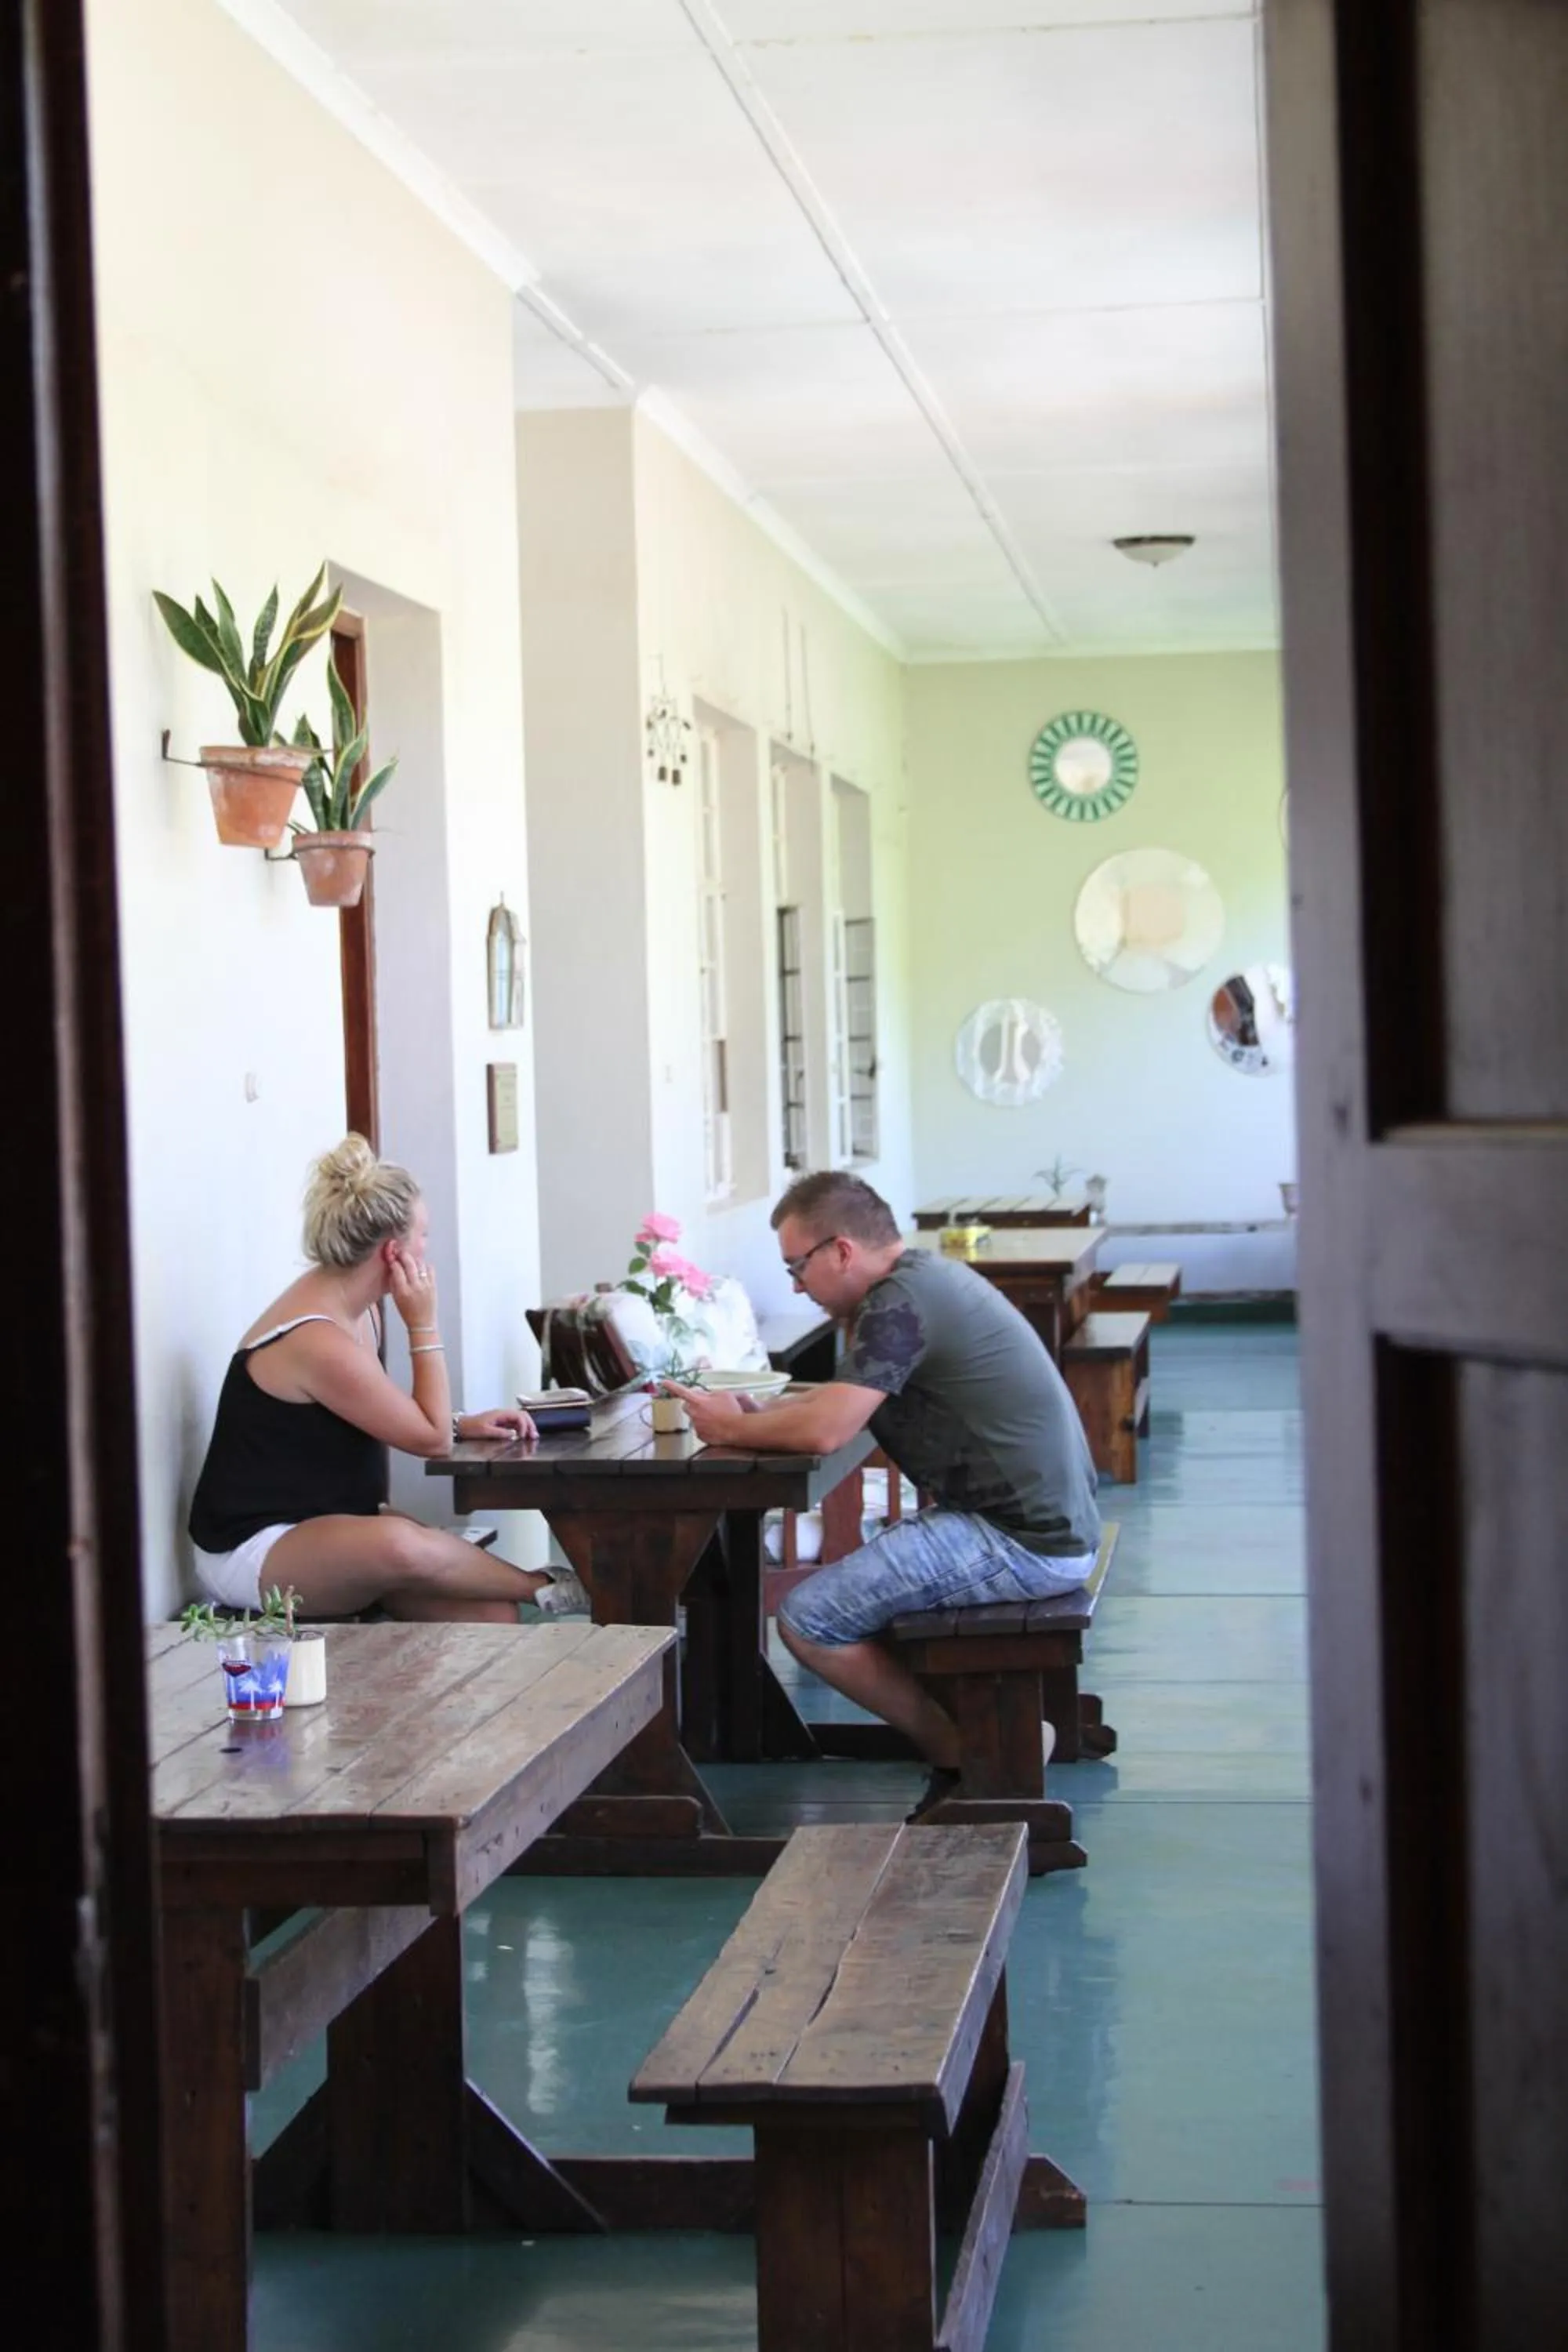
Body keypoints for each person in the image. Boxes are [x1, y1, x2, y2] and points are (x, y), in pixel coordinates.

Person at [666, 1169, 1100, 1813]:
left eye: (798, 1266)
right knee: (866, 1590)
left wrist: (730, 1424)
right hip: (1040, 1523)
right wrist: (756, 1419)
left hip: (1022, 1540)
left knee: (811, 1620)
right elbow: (840, 1407)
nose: (794, 1285)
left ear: (841, 1250)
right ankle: (988, 1737)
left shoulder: (900, 1304)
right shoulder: (918, 1283)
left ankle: (971, 1756)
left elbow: (828, 1429)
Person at [188, 1134, 574, 1624]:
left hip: (332, 1522)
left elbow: (393, 1417)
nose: (426, 1248)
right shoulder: (315, 1338)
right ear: (394, 1251)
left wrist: (460, 1424)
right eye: (424, 1235)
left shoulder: (359, 1309)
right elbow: (429, 1442)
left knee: (491, 1615)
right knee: (401, 1545)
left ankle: (530, 1599)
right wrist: (423, 1325)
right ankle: (553, 1586)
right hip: (256, 1547)